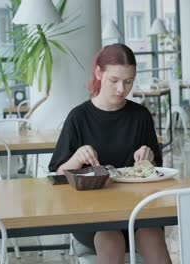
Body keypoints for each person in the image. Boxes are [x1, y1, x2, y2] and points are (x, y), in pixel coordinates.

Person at [48, 43, 171, 264]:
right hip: (92, 214)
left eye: (128, 82)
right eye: (114, 81)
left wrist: (149, 158)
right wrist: (76, 158)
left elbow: (157, 171)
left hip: (136, 210)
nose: (121, 89)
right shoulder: (78, 117)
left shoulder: (140, 116)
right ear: (98, 73)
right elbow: (57, 175)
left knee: (152, 234)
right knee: (110, 238)